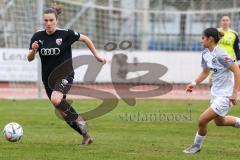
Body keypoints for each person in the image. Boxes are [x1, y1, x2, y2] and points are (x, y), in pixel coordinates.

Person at [27, 4, 106, 145]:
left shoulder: (65, 34)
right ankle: (86, 136)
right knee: (63, 113)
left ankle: (80, 119)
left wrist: (97, 56)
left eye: (51, 20)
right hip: (48, 79)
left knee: (56, 100)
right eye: (46, 20)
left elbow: (86, 39)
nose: (48, 23)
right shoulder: (37, 36)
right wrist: (33, 50)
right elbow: (30, 58)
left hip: (65, 74)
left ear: (56, 20)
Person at [183, 28, 240, 154]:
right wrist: (194, 83)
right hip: (216, 93)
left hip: (226, 94)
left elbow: (237, 71)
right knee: (220, 122)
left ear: (210, 39)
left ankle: (196, 147)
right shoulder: (205, 53)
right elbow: (205, 72)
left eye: (203, 38)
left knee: (202, 120)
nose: (201, 40)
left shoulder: (221, 54)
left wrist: (234, 93)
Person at [209, 15, 240, 88]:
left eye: (227, 20)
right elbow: (210, 45)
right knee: (212, 82)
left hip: (229, 61)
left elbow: (237, 49)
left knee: (230, 81)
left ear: (230, 22)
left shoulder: (234, 34)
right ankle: (213, 96)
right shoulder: (215, 32)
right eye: (223, 20)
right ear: (220, 22)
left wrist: (238, 60)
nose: (225, 22)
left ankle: (230, 97)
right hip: (216, 60)